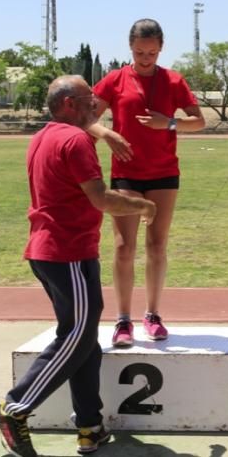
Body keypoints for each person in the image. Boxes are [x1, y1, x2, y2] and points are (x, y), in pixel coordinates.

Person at [0, 76, 156, 457]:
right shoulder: (75, 140)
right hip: (69, 253)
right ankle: (13, 409)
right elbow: (101, 200)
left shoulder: (43, 136)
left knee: (84, 341)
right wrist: (142, 205)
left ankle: (89, 426)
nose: (95, 105)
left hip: (48, 252)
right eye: (87, 99)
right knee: (78, 336)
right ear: (67, 104)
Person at [91, 19, 205, 347]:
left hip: (164, 174)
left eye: (152, 52)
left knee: (157, 246)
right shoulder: (113, 81)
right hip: (126, 172)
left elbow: (198, 122)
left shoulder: (173, 81)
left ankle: (153, 315)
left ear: (161, 48)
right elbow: (86, 120)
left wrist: (168, 123)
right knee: (124, 247)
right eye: (140, 51)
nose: (145, 58)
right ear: (130, 47)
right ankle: (123, 320)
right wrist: (108, 134)